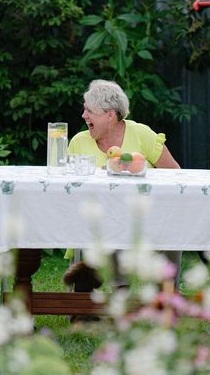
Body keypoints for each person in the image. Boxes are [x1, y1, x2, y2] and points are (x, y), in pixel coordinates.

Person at [63, 79, 181, 292]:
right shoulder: (79, 142)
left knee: (171, 229)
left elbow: (174, 173)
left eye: (89, 111)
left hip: (146, 218)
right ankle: (108, 296)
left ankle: (165, 295)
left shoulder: (141, 134)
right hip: (98, 222)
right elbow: (68, 188)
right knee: (111, 227)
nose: (84, 116)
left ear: (110, 115)